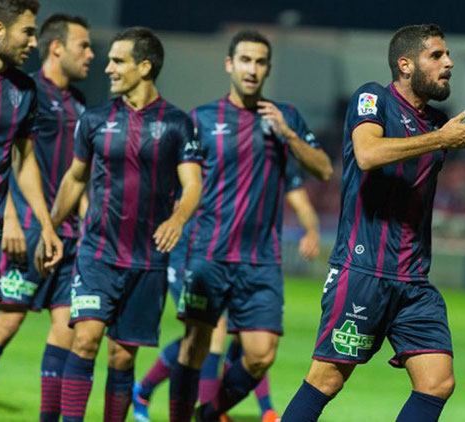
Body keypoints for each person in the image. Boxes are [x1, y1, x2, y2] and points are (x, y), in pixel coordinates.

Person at [281, 24, 465, 422]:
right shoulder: (372, 97)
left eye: (448, 55)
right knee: (326, 380)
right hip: (364, 270)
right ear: (406, 64)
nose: (449, 63)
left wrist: (440, 137)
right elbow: (367, 153)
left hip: (413, 280)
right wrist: (440, 141)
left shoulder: (437, 120)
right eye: (437, 55)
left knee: (437, 383)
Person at [168, 29, 333, 422]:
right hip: (210, 252)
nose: (252, 69)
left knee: (260, 355)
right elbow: (184, 186)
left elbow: (324, 169)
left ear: (267, 69)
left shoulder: (284, 116)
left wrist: (288, 133)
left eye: (260, 62)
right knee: (195, 345)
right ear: (229, 64)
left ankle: (209, 413)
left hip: (260, 260)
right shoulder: (202, 119)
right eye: (245, 60)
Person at [39, 27, 203, 421]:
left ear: (144, 67)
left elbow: (193, 183)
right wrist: (50, 227)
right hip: (97, 253)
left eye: (118, 60)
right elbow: (75, 178)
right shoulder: (94, 118)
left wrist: (179, 217)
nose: (108, 67)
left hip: (147, 262)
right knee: (86, 338)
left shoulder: (179, 124)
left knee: (121, 354)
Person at [0, 14, 94, 421]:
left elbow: (73, 174)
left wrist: (85, 223)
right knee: (6, 321)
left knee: (69, 331)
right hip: (22, 229)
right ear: (58, 48)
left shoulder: (77, 103)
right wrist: (13, 220)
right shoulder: (27, 89)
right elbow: (10, 160)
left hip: (64, 234)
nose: (90, 54)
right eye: (83, 46)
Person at [132, 160, 321, 422]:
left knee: (247, 336)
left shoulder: (274, 152)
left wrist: (311, 230)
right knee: (212, 330)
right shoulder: (218, 145)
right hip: (191, 251)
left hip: (239, 258)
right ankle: (205, 410)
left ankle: (261, 409)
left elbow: (308, 189)